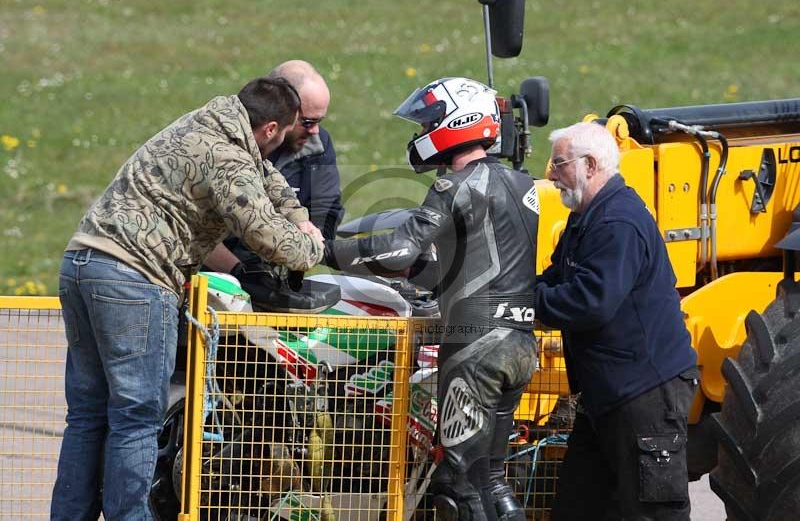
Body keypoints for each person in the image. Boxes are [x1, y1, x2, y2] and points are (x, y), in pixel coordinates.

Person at [51, 76, 324, 520]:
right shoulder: (228, 158)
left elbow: (267, 179)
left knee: (87, 416)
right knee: (136, 417)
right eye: (293, 129)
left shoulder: (206, 122)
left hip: (81, 262)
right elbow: (269, 238)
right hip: (134, 279)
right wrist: (315, 246)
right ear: (270, 128)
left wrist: (299, 214)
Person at [324, 77, 540, 520]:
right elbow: (456, 268)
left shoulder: (456, 186)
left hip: (476, 348)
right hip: (520, 343)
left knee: (457, 485)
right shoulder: (523, 185)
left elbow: (401, 250)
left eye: (429, 122)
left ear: (458, 122)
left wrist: (328, 251)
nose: (421, 134)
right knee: (491, 478)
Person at [534, 122, 699, 520]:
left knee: (651, 511)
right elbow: (556, 278)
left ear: (590, 165)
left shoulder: (617, 223)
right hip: (606, 395)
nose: (551, 174)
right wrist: (509, 294)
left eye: (559, 164)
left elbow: (591, 303)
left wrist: (527, 304)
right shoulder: (585, 216)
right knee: (579, 505)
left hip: (645, 393)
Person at [204, 60, 343, 306]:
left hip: (274, 273)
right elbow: (200, 229)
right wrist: (244, 273)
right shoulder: (227, 147)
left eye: (320, 120)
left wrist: (308, 242)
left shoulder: (318, 144)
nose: (315, 131)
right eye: (308, 122)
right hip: (215, 277)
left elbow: (326, 209)